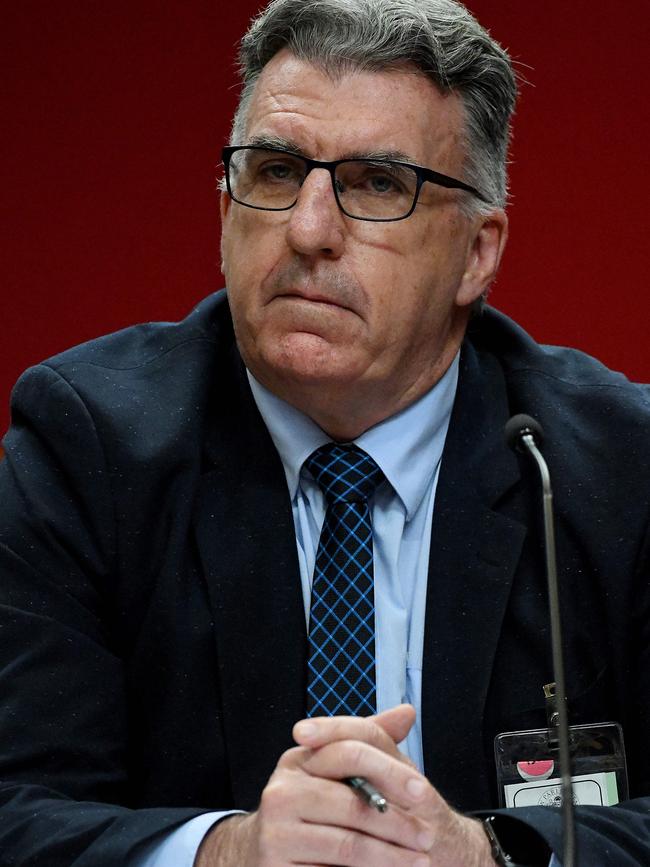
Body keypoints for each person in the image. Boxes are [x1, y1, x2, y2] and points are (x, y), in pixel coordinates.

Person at [0, 0, 649, 864]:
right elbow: (16, 803)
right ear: (224, 206)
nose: (308, 230)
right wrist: (227, 852)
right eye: (274, 172)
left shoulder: (614, 467)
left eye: (378, 184)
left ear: (477, 254)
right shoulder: (90, 448)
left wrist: (486, 855)